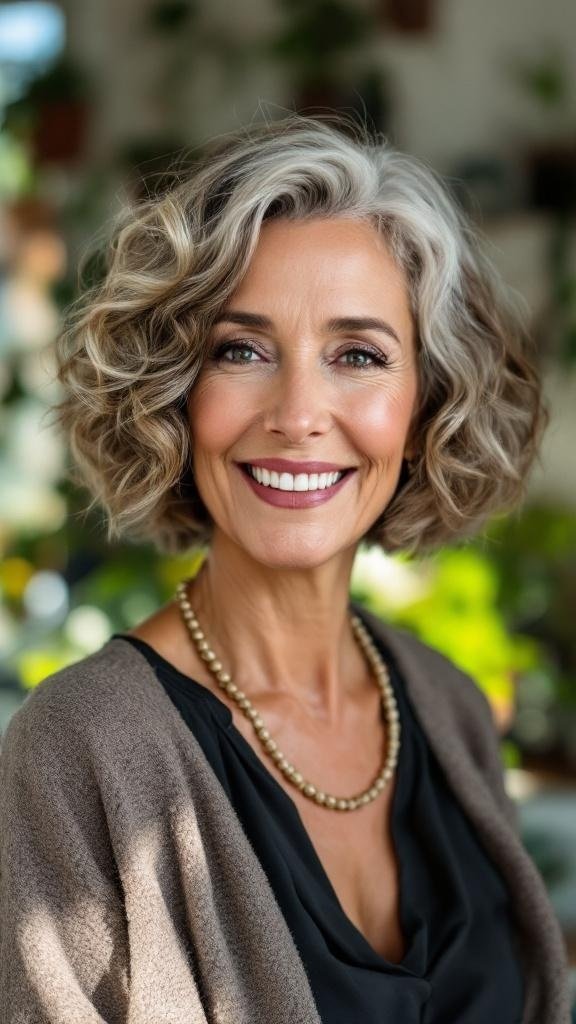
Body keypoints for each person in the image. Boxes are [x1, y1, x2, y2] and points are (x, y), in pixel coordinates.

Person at [0, 113, 571, 1023]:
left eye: (358, 355)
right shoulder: (78, 750)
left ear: (426, 408)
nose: (298, 413)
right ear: (174, 396)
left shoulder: (448, 707)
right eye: (241, 350)